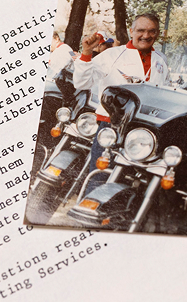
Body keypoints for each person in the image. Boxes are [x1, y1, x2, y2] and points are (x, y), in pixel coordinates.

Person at [73, 14, 171, 192]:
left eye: (151, 31)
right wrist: (86, 54)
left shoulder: (161, 61)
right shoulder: (112, 55)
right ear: (131, 31)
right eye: (141, 30)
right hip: (111, 128)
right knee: (99, 179)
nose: (146, 35)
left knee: (132, 183)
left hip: (143, 134)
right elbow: (82, 83)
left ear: (157, 33)